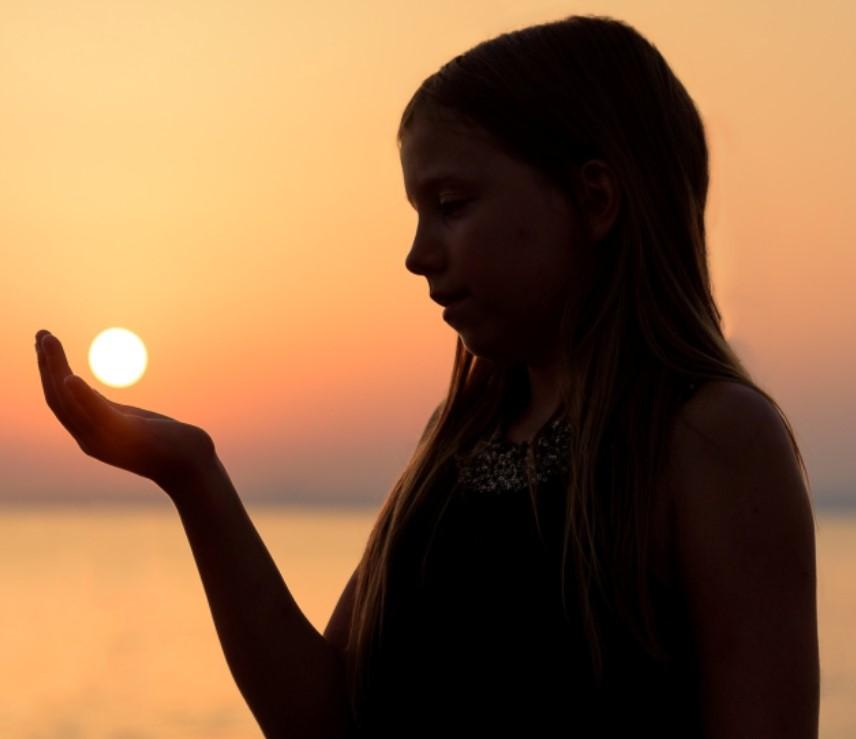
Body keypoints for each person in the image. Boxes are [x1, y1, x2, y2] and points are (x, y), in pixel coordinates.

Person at [35, 12, 819, 739]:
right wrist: (193, 475)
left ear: (595, 198)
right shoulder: (458, 443)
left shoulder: (711, 438)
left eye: (451, 204)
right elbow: (322, 720)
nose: (417, 254)